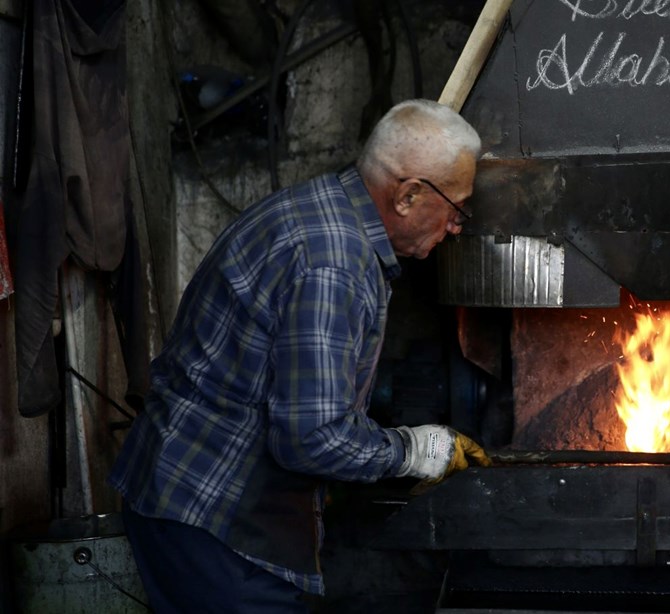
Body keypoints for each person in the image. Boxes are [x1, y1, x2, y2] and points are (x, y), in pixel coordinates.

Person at [109, 99, 491, 612]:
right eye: (457, 208)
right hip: (214, 514)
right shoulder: (334, 264)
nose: (457, 226)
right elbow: (309, 439)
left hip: (182, 489)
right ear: (408, 195)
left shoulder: (321, 209)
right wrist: (413, 451)